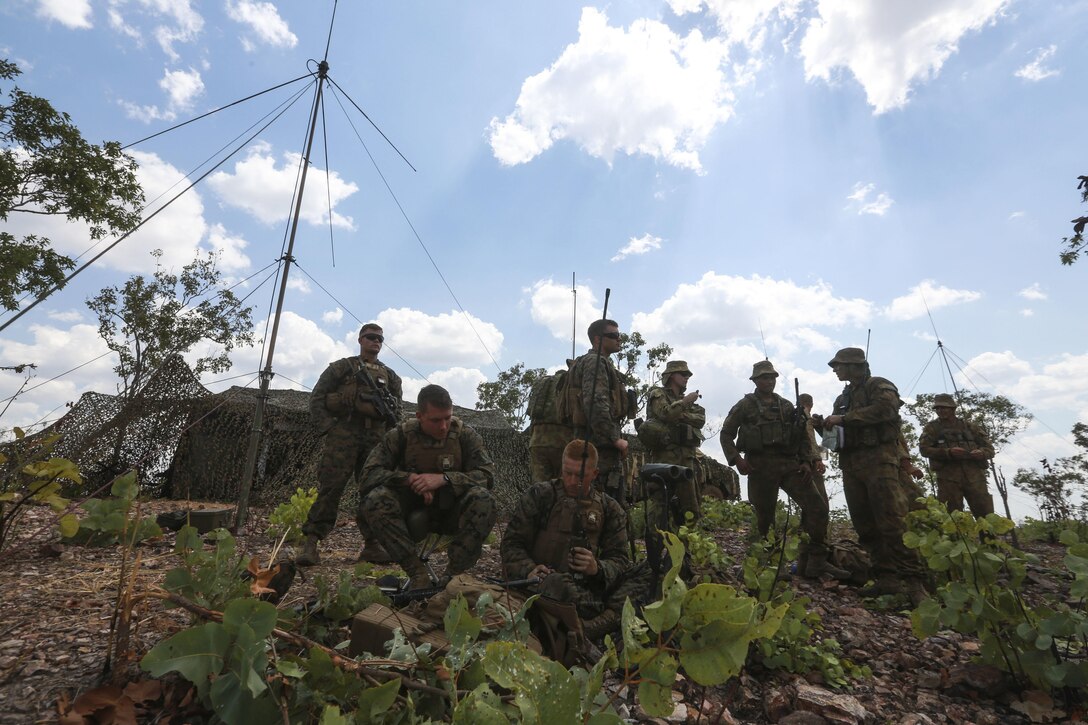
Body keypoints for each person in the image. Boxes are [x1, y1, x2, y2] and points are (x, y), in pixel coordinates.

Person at [501, 440, 645, 641]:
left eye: (580, 476)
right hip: (542, 585)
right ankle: (599, 622)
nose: (571, 481)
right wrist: (529, 569)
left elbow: (620, 560)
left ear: (594, 475)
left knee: (647, 575)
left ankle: (592, 626)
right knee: (557, 584)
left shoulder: (610, 509)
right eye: (567, 473)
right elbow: (511, 544)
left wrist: (597, 568)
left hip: (589, 593)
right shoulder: (540, 496)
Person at [360, 384, 498, 590]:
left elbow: (487, 476)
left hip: (452, 513)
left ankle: (452, 578)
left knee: (483, 499)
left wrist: (445, 479)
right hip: (410, 516)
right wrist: (410, 479)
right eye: (435, 420)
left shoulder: (464, 435)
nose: (443, 426)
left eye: (447, 418)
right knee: (375, 499)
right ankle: (417, 574)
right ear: (419, 416)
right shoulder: (401, 435)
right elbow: (368, 476)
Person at [720, 361, 848, 579]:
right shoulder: (745, 405)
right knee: (764, 518)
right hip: (759, 466)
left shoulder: (787, 406)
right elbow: (726, 434)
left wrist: (806, 461)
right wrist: (737, 460)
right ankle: (767, 566)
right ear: (755, 380)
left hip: (789, 464)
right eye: (764, 378)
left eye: (772, 377)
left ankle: (815, 561)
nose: (769, 381)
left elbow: (802, 438)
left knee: (817, 508)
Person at [822, 347, 927, 602]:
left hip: (880, 461)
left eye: (839, 365)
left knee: (892, 521)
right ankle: (886, 578)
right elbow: (838, 435)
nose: (835, 370)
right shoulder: (843, 397)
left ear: (854, 365)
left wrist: (843, 419)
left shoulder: (879, 385)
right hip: (851, 464)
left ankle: (915, 583)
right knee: (865, 524)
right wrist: (823, 427)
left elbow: (886, 411)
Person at [298, 323, 402, 567]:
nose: (375, 341)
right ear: (360, 340)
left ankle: (372, 545)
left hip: (375, 438)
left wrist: (390, 438)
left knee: (373, 490)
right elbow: (317, 398)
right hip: (344, 433)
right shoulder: (342, 368)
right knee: (331, 488)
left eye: (379, 338)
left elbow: (396, 409)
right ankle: (311, 543)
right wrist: (329, 427)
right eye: (370, 337)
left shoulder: (391, 376)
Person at [564, 319, 633, 503]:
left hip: (595, 442)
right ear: (597, 339)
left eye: (619, 336)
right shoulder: (595, 362)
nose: (619, 340)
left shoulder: (594, 362)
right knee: (601, 502)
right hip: (599, 445)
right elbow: (595, 402)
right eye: (613, 336)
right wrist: (614, 439)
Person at [918, 393, 995, 517]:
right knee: (951, 517)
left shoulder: (970, 427)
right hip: (948, 478)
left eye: (944, 408)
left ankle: (989, 537)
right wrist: (948, 452)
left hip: (975, 477)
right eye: (937, 408)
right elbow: (924, 449)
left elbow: (990, 449)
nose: (940, 411)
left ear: (953, 409)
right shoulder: (932, 428)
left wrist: (981, 453)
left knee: (986, 514)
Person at [526, 361, 574, 482]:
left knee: (539, 485)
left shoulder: (543, 384)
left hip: (537, 440)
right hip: (562, 440)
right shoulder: (569, 384)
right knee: (561, 486)